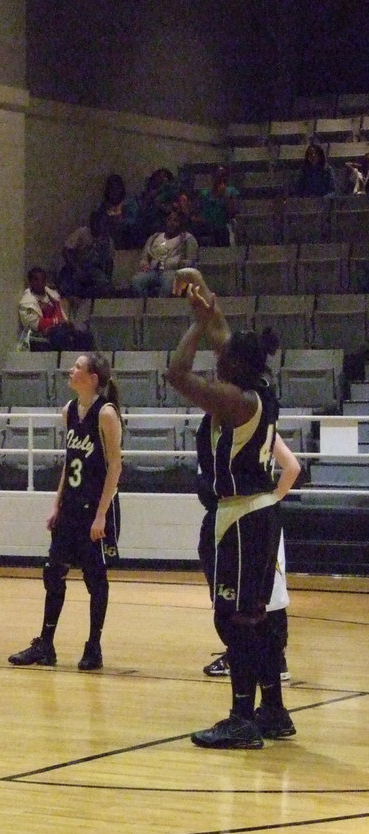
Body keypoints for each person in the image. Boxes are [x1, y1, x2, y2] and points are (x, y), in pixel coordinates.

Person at [165, 268, 285, 749]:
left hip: (241, 516)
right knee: (254, 615)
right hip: (253, 512)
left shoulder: (234, 401)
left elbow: (176, 373)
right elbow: (225, 336)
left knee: (234, 618)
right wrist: (203, 300)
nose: (218, 360)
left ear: (234, 367)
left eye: (223, 359)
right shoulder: (258, 389)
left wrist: (194, 325)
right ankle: (271, 709)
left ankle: (241, 717)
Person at [7, 352, 122, 671]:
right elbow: (69, 462)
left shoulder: (106, 413)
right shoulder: (69, 411)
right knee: (53, 572)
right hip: (70, 505)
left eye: (78, 367)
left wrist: (102, 514)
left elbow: (115, 466)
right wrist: (56, 504)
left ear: (93, 378)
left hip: (95, 508)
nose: (70, 371)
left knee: (95, 578)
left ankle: (93, 646)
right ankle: (45, 644)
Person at [202, 435, 300, 692]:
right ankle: (260, 665)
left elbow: (292, 467)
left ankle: (271, 663)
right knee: (259, 601)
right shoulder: (249, 424)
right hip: (252, 521)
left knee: (260, 604)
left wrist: (272, 498)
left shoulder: (247, 422)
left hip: (250, 523)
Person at [18, 267, 94, 352]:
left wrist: (65, 323)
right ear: (30, 282)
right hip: (42, 336)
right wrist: (57, 322)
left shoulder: (52, 295)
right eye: (36, 280)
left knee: (86, 336)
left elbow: (61, 313)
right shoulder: (26, 303)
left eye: (43, 280)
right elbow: (36, 325)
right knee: (61, 335)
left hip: (62, 328)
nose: (40, 283)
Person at [131, 209, 199, 299]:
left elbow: (191, 260)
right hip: (153, 271)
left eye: (175, 221)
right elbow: (145, 255)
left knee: (168, 281)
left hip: (173, 271)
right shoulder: (155, 237)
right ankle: (145, 305)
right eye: (169, 220)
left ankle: (160, 306)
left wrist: (181, 264)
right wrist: (145, 263)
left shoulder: (187, 239)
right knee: (137, 280)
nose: (171, 223)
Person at [57, 210, 116, 301]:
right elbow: (66, 251)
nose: (98, 225)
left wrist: (107, 279)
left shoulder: (108, 240)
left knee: (106, 287)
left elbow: (109, 262)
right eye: (96, 221)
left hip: (95, 270)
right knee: (66, 280)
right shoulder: (82, 233)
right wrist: (75, 267)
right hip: (76, 267)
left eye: (101, 222)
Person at [193, 166, 240, 248]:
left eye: (223, 175)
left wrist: (225, 195)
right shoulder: (204, 193)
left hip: (223, 226)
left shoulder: (231, 191)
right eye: (218, 175)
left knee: (221, 231)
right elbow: (195, 212)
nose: (221, 178)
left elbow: (233, 211)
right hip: (206, 226)